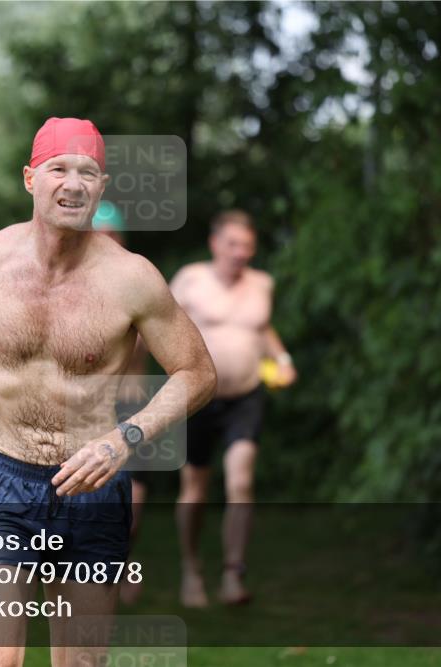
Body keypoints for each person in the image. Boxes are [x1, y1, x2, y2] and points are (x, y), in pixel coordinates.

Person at [0, 117, 216, 667]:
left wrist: (127, 438)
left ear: (102, 186)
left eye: (88, 172)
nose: (73, 184)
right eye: (57, 169)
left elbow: (197, 372)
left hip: (92, 486)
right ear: (29, 179)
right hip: (3, 479)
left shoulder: (132, 279)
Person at [170, 209, 297, 607]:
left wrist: (284, 359)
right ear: (215, 244)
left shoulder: (262, 284)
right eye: (233, 244)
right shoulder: (190, 279)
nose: (241, 252)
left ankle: (233, 573)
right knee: (195, 489)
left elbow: (260, 329)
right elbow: (157, 325)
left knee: (241, 481)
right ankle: (192, 570)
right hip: (197, 397)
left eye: (247, 245)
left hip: (247, 394)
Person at [92, 201, 149, 606]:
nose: (109, 243)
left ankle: (123, 558)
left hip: (133, 408)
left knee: (134, 500)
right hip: (91, 412)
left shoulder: (139, 282)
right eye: (101, 235)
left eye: (115, 236)